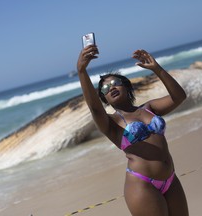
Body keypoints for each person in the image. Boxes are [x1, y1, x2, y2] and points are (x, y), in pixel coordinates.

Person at [77, 44, 189, 216]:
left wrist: (156, 68)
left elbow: (179, 96)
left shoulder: (149, 108)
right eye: (105, 89)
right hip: (142, 185)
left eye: (115, 83)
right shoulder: (111, 123)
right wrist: (82, 71)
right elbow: (95, 108)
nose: (111, 88)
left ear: (126, 86)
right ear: (104, 98)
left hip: (171, 179)